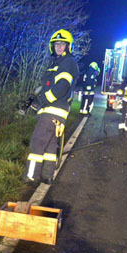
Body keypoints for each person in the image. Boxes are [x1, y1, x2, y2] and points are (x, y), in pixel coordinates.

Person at [23, 29, 79, 185]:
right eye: (57, 44)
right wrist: (38, 101)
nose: (59, 47)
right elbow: (49, 86)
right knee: (48, 146)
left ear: (68, 46)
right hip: (55, 111)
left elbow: (61, 86)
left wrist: (44, 101)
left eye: (62, 44)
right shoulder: (59, 63)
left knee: (37, 142)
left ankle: (31, 176)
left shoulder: (67, 63)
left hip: (52, 110)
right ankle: (46, 176)